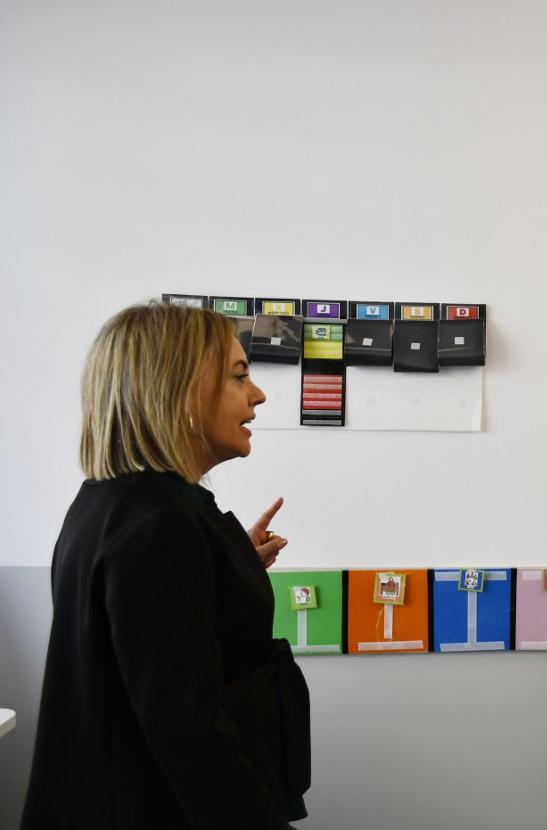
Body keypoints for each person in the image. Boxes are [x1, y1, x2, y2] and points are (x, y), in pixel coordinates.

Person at [22, 302, 310, 829]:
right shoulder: (160, 524)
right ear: (179, 391)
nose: (258, 395)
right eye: (238, 376)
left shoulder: (111, 503)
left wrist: (232, 565)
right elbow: (187, 727)